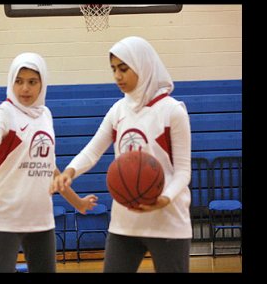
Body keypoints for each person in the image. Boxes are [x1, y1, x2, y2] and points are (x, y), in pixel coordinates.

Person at [51, 36, 192, 273]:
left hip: (168, 220)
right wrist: (70, 172)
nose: (117, 76)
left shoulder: (173, 111)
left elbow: (183, 171)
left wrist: (164, 199)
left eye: (124, 69)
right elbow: (93, 149)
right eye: (114, 69)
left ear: (142, 65)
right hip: (125, 222)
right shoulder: (118, 110)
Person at [0, 52, 98, 273]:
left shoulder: (45, 115)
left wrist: (78, 203)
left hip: (41, 217)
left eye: (32, 82)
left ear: (42, 84)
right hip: (4, 215)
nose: (25, 88)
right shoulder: (3, 113)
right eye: (18, 81)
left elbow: (50, 168)